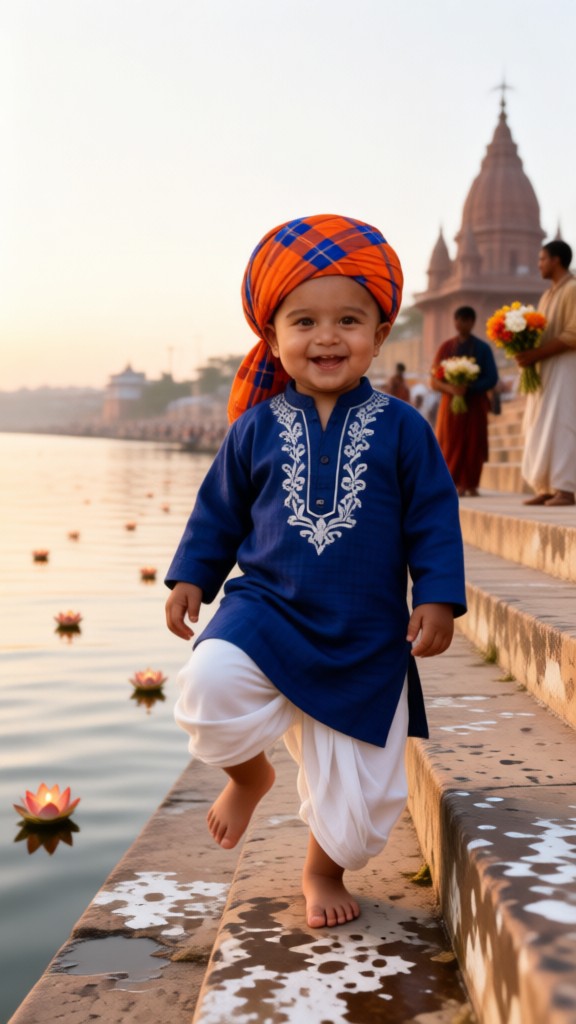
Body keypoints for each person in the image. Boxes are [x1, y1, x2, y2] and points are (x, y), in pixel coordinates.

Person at [164, 214, 466, 930]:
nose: (327, 337)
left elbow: (432, 515)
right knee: (207, 691)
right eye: (304, 321)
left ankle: (320, 867)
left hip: (364, 628)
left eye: (348, 321)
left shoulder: (403, 427)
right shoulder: (254, 428)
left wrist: (440, 598)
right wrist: (190, 579)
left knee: (362, 817)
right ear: (272, 338)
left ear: (380, 334)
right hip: (265, 610)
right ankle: (252, 775)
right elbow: (218, 514)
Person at [519, 240, 576, 506]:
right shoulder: (546, 295)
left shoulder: (573, 289)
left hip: (566, 366)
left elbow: (572, 335)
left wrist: (535, 355)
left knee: (564, 424)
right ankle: (546, 486)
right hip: (544, 368)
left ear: (556, 260)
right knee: (541, 425)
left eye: (542, 259)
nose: (538, 264)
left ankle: (565, 488)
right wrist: (523, 350)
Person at [430, 306, 498, 497]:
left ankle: (471, 483)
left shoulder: (483, 349)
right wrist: (451, 389)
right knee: (449, 441)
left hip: (474, 404)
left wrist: (469, 388)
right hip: (450, 405)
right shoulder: (446, 348)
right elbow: (434, 380)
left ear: (472, 322)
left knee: (474, 443)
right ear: (455, 321)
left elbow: (491, 378)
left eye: (466, 320)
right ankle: (452, 482)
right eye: (459, 320)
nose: (462, 324)